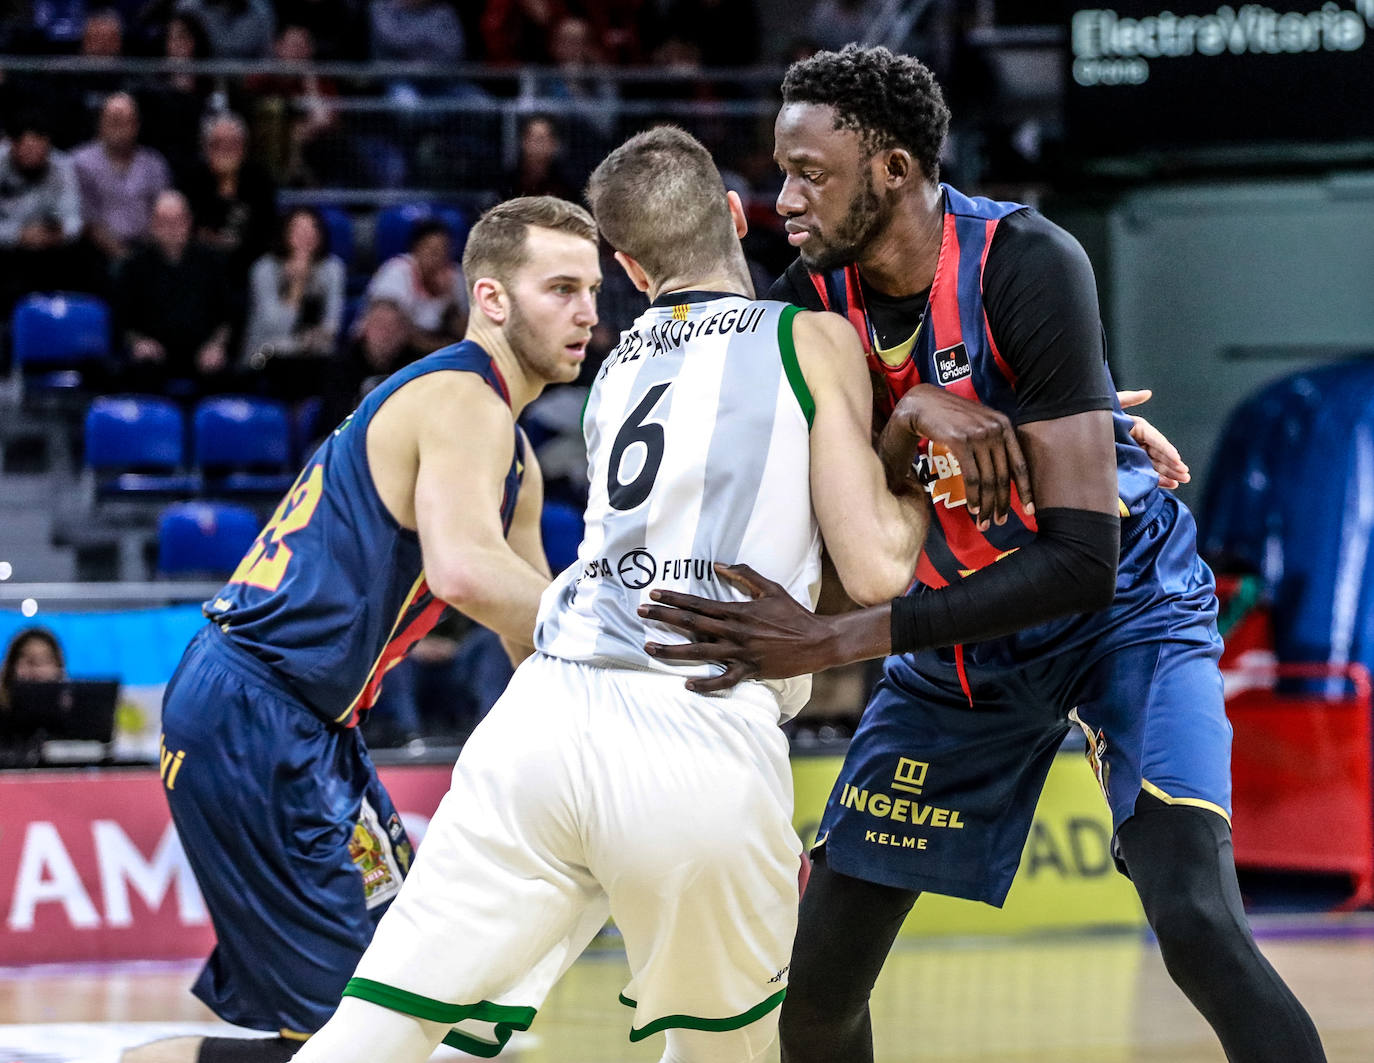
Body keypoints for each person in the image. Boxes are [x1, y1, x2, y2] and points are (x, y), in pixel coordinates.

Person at [637, 46, 1327, 1063]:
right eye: (781, 173)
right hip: (960, 649)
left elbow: (1082, 563)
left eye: (810, 173)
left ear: (893, 170)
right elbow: (833, 487)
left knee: (1196, 918)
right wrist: (912, 411)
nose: (785, 199)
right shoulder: (808, 302)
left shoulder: (1027, 259)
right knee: (816, 985)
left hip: (1121, 618)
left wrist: (832, 639)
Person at [289, 126, 928, 1063]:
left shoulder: (615, 370)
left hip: (541, 721)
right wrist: (915, 480)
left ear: (627, 266)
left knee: (381, 1028)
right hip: (697, 726)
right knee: (722, 1054)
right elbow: (873, 572)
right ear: (735, 216)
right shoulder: (810, 337)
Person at [121, 195, 600, 1063]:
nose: (588, 312)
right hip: (257, 710)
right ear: (492, 298)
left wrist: (596, 742)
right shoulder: (463, 399)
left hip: (309, 723)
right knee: (366, 1033)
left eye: (594, 290)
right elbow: (466, 572)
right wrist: (623, 636)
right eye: (561, 288)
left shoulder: (514, 456)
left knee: (408, 1006)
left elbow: (528, 633)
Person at [112, 189, 232, 397]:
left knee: (221, 373)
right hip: (154, 353)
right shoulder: (134, 266)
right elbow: (122, 320)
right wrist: (139, 343)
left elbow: (228, 316)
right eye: (164, 221)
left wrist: (216, 345)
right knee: (140, 370)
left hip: (201, 352)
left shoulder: (212, 262)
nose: (171, 228)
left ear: (189, 222)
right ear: (153, 224)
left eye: (178, 220)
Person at [240, 206, 346, 394]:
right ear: (285, 233)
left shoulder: (332, 268)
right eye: (298, 230)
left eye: (312, 229)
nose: (306, 236)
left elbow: (332, 325)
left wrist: (315, 339)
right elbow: (275, 327)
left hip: (315, 356)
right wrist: (297, 286)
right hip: (266, 355)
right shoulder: (265, 269)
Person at [71, 92, 172, 264]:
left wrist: (144, 255)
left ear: (136, 125)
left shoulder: (154, 163)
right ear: (100, 123)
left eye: (126, 121)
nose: (119, 128)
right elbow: (86, 219)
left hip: (148, 251)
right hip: (96, 253)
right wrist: (122, 256)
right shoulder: (80, 162)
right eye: (114, 121)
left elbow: (162, 213)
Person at [364, 218, 468, 352]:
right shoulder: (397, 270)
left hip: (437, 347)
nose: (439, 257)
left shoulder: (454, 275)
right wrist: (440, 348)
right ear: (416, 249)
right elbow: (390, 327)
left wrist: (450, 299)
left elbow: (464, 331)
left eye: (444, 251)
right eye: (433, 251)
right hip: (396, 349)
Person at [0, 627, 66, 767]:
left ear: (58, 668)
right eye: (30, 661)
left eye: (44, 661)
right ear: (11, 667)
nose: (36, 671)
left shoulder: (69, 717)